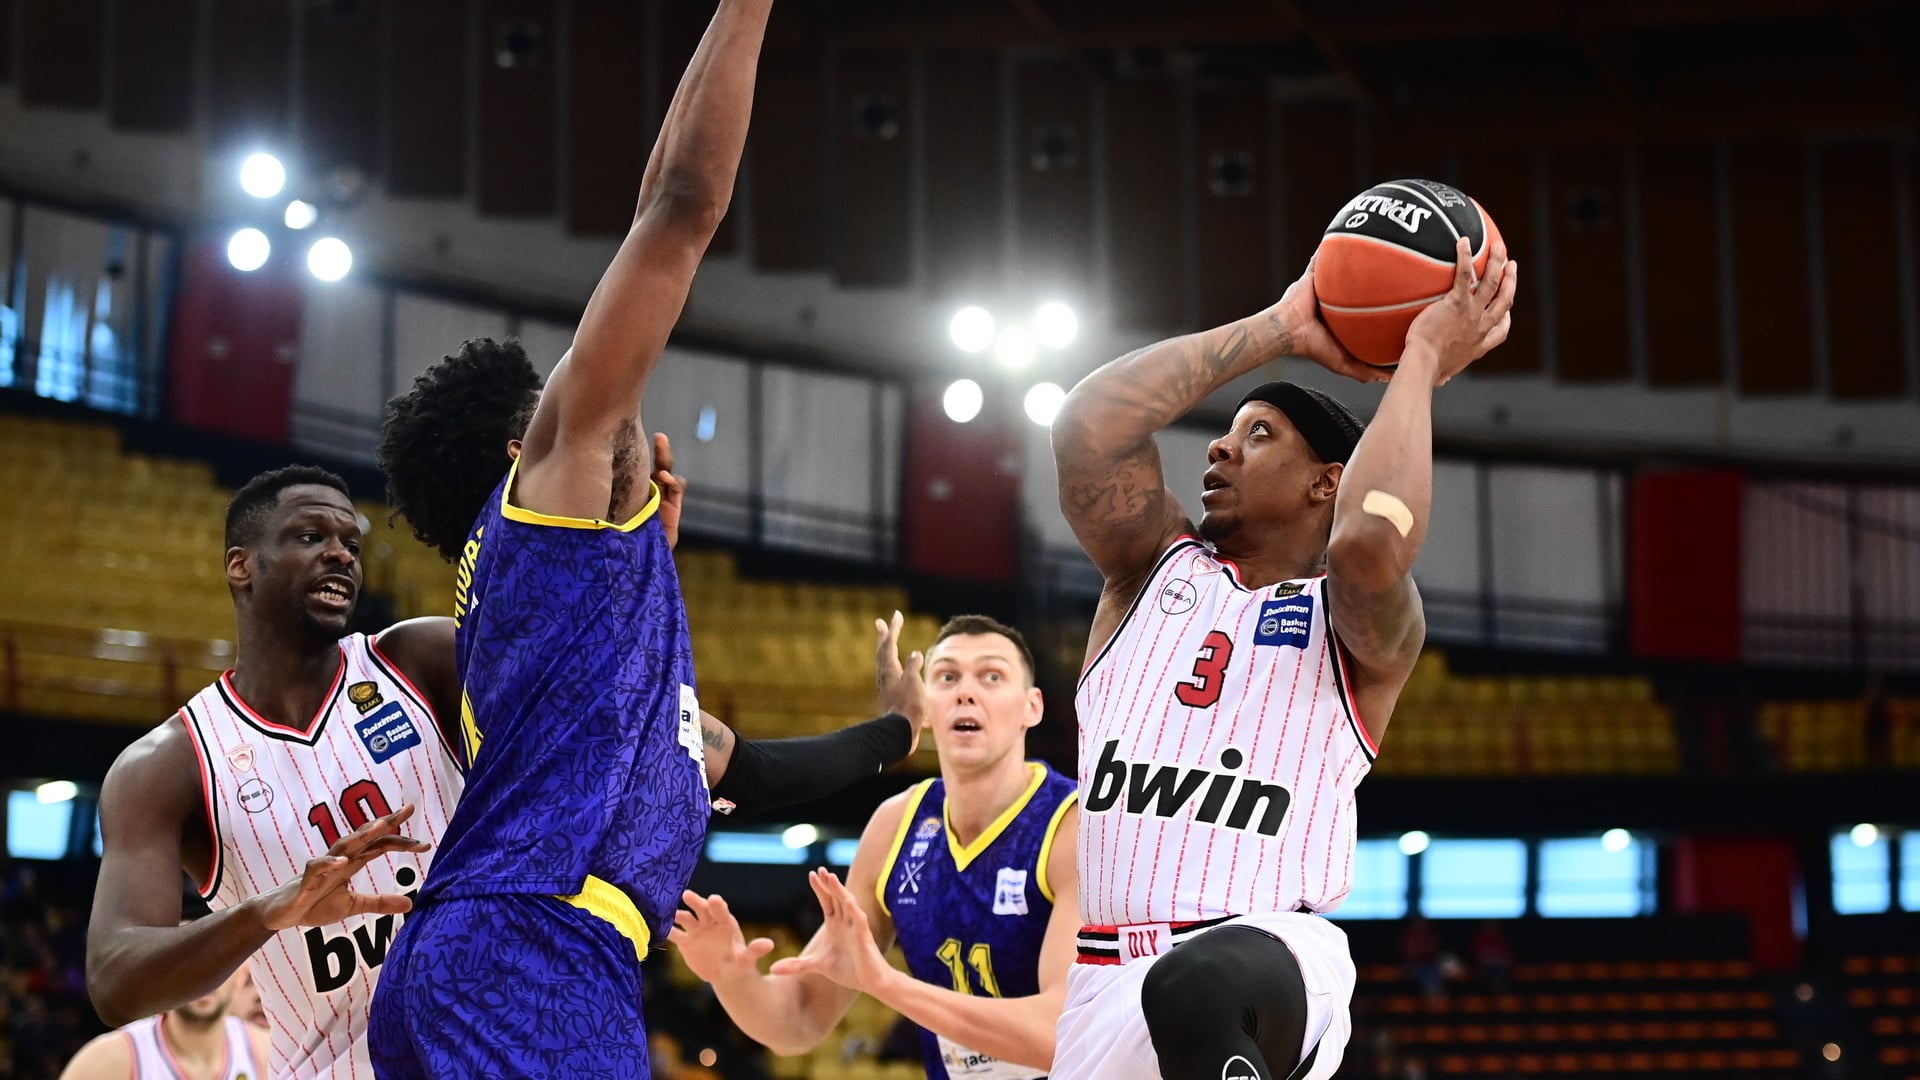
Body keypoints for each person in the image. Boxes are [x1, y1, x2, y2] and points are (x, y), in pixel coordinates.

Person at [366, 1, 929, 1073]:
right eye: (563, 399)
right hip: (530, 952)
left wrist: (896, 733)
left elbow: (729, 761)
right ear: (522, 449)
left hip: (518, 956)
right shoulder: (549, 494)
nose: (614, 401)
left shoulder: (556, 616)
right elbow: (678, 210)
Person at [1046, 236, 1518, 1080]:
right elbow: (1086, 429)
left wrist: (1418, 359)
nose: (1218, 449)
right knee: (1181, 993)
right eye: (1227, 434)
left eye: (1257, 434)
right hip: (1102, 983)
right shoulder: (1149, 572)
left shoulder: (1353, 620)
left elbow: (1370, 540)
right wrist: (1283, 325)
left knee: (1195, 984)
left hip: (1273, 959)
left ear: (1325, 482)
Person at [672, 615, 1079, 1079]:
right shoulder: (897, 825)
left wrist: (886, 983)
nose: (966, 692)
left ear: (1032, 707)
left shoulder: (1072, 824)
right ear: (927, 708)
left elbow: (1061, 1032)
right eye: (947, 677)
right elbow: (799, 1019)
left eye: (991, 676)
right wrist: (730, 975)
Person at [62, 943, 270, 1080]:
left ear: (241, 974)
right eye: (186, 961)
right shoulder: (110, 1059)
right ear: (162, 972)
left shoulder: (266, 1052)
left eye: (218, 960)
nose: (203, 975)